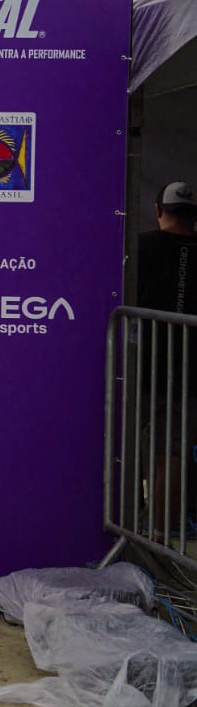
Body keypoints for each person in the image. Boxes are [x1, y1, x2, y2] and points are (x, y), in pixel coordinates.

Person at [135, 181, 197, 539]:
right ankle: (159, 533)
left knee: (121, 445)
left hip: (142, 368)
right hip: (189, 374)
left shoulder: (141, 247)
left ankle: (125, 525)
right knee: (171, 451)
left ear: (159, 210)